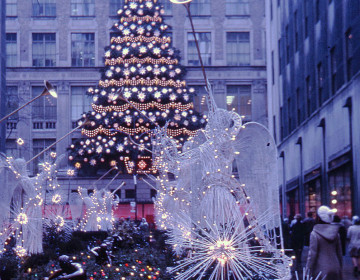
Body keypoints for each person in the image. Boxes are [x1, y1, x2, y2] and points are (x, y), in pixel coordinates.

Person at [306, 205, 342, 280]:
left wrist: (308, 270)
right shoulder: (336, 233)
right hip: (335, 266)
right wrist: (340, 267)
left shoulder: (314, 234)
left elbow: (312, 254)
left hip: (320, 268)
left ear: (318, 217)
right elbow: (339, 253)